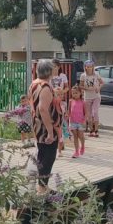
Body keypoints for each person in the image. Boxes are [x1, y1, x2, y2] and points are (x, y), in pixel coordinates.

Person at [29, 59, 62, 194]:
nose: (56, 69)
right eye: (53, 68)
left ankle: (42, 186)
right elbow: (43, 109)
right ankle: (42, 188)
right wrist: (50, 132)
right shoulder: (45, 87)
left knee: (42, 155)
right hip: (45, 126)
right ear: (49, 71)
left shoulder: (34, 83)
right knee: (48, 156)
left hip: (38, 124)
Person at [50, 59, 69, 157]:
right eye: (52, 66)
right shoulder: (49, 76)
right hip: (52, 101)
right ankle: (55, 144)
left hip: (61, 101)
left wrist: (61, 92)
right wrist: (54, 91)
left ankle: (61, 143)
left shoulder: (63, 76)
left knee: (61, 123)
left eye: (55, 66)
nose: (53, 68)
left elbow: (67, 87)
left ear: (58, 67)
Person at [79, 60, 102, 137]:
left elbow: (102, 82)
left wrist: (98, 88)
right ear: (85, 67)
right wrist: (86, 88)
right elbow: (80, 86)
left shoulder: (96, 74)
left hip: (96, 96)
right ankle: (91, 130)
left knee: (95, 112)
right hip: (87, 96)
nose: (89, 68)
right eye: (87, 67)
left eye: (91, 67)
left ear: (93, 67)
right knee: (89, 114)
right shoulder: (83, 75)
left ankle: (96, 130)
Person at [68, 85, 86, 158]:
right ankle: (76, 151)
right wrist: (67, 116)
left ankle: (83, 146)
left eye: (76, 93)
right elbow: (69, 111)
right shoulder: (70, 101)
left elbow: (86, 112)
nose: (74, 94)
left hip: (80, 122)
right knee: (75, 136)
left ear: (80, 93)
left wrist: (84, 120)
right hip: (73, 121)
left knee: (80, 136)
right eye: (73, 93)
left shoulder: (83, 102)